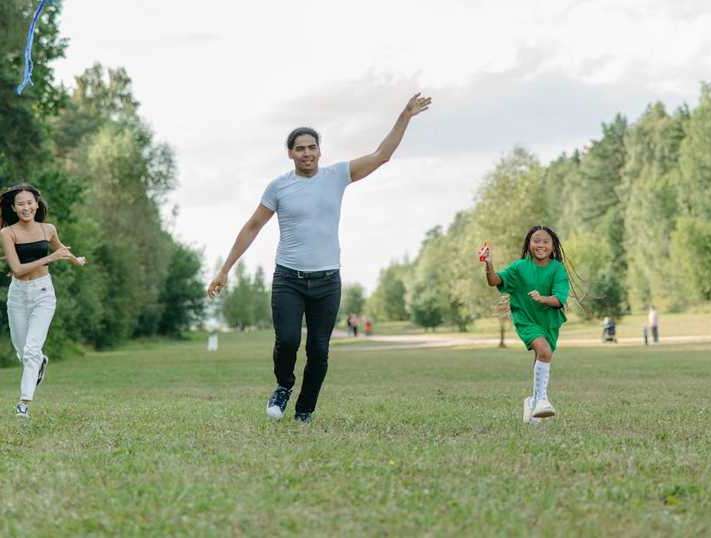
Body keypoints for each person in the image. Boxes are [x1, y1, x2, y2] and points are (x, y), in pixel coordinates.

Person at [207, 93, 432, 423]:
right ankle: (283, 386)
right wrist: (225, 269)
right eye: (300, 148)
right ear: (290, 154)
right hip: (288, 279)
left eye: (312, 147)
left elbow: (381, 155)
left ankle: (305, 409)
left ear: (320, 151)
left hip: (327, 281)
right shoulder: (278, 188)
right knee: (286, 341)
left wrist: (405, 116)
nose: (307, 153)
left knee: (319, 351)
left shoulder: (337, 176)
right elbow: (252, 226)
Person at [0, 184, 86, 418]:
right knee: (23, 352)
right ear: (13, 208)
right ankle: (41, 362)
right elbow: (17, 269)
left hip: (43, 292)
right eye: (21, 204)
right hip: (18, 294)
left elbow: (60, 249)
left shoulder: (48, 229)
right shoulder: (8, 233)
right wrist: (52, 258)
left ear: (37, 204)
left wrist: (76, 260)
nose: (26, 207)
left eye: (29, 203)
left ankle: (23, 404)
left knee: (32, 349)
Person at [479, 226, 572, 423]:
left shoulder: (558, 269)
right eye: (536, 240)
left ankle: (533, 403)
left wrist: (542, 298)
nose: (541, 245)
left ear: (553, 245)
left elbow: (559, 299)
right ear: (529, 244)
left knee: (542, 355)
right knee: (544, 351)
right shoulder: (519, 267)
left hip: (549, 321)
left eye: (546, 241)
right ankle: (542, 400)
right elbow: (495, 281)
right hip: (525, 318)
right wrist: (489, 264)